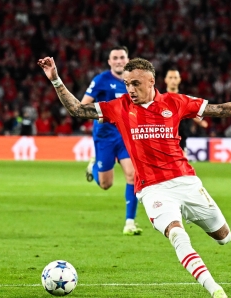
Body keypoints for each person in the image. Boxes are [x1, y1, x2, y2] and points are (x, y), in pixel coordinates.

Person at [38, 56, 231, 298]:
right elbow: (77, 110)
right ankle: (215, 290)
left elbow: (219, 109)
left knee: (224, 237)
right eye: (127, 84)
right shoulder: (119, 107)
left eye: (135, 83)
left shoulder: (175, 102)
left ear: (151, 82)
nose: (130, 89)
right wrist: (56, 80)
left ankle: (186, 213)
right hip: (152, 189)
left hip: (186, 181)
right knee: (177, 234)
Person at [81, 46, 142, 236]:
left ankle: (130, 223)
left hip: (126, 136)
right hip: (105, 137)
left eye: (122, 57)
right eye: (115, 58)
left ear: (127, 59)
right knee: (106, 184)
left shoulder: (135, 81)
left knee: (133, 175)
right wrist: (100, 114)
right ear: (109, 62)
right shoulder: (101, 80)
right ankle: (94, 168)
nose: (118, 61)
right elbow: (83, 106)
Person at [164, 68, 208, 156]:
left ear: (179, 79)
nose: (173, 80)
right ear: (166, 79)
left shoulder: (185, 98)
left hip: (181, 135)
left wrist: (199, 121)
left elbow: (191, 112)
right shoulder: (160, 98)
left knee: (182, 166)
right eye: (171, 77)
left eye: (175, 77)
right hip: (165, 136)